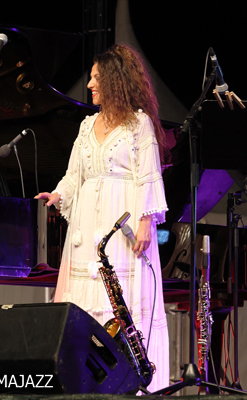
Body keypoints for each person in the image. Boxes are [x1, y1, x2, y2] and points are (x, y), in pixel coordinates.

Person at [35, 44, 169, 392]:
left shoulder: (138, 124)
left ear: (113, 81)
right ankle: (81, 383)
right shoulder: (86, 126)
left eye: (96, 78)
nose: (90, 85)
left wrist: (146, 221)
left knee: (120, 299)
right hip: (85, 226)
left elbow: (148, 175)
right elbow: (74, 176)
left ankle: (131, 382)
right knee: (83, 303)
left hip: (121, 225)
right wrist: (57, 195)